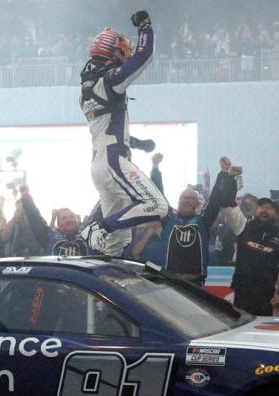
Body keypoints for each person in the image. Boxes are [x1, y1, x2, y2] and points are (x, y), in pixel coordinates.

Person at [79, 10, 169, 256]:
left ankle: (102, 287)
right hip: (114, 160)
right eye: (122, 50)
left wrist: (139, 144)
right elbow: (144, 55)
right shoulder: (109, 81)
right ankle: (97, 226)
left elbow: (106, 127)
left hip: (99, 164)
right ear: (112, 52)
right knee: (157, 206)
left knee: (115, 246)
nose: (125, 54)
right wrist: (145, 27)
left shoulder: (87, 90)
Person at [133, 168, 244, 285]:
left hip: (194, 283)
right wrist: (156, 169)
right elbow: (159, 196)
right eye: (183, 198)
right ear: (178, 201)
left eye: (190, 198)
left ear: (197, 203)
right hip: (170, 281)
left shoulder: (203, 220)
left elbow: (214, 201)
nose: (186, 201)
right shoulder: (169, 218)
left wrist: (223, 173)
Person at [230, 197, 279, 316]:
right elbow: (229, 208)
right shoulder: (243, 227)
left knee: (265, 333)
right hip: (242, 295)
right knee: (241, 332)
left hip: (267, 297)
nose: (265, 211)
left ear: (276, 214)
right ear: (256, 210)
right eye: (261, 207)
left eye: (269, 208)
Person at [17, 186, 90, 257]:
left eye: (72, 217)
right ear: (58, 224)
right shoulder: (49, 237)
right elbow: (35, 219)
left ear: (78, 220)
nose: (69, 220)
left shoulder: (89, 234)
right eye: (64, 218)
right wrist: (26, 198)